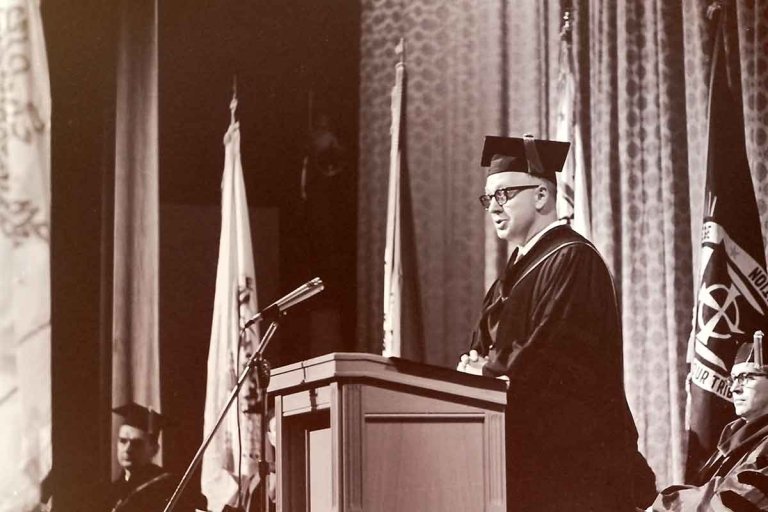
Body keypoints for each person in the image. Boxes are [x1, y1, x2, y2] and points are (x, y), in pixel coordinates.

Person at [457, 134, 656, 511]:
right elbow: (478, 348)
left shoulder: (574, 259)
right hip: (519, 454)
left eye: (504, 195)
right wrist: (474, 370)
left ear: (542, 196)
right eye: (489, 199)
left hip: (571, 461)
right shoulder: (508, 277)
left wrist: (486, 370)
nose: (494, 209)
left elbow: (555, 352)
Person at [651, 338, 768, 510]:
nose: (735, 388)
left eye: (747, 377)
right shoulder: (733, 439)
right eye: (733, 379)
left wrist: (663, 506)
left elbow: (734, 502)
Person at [89, 402, 201, 512]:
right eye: (123, 441)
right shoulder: (109, 492)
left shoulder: (169, 486)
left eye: (137, 443)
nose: (128, 449)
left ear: (154, 450)